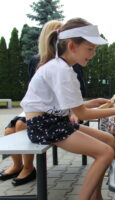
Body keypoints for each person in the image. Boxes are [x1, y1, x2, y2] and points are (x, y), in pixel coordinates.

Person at [20, 18, 115, 200]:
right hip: (44, 126)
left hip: (54, 121)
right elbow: (82, 114)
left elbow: (69, 107)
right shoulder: (61, 70)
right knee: (105, 153)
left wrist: (90, 102)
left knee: (108, 139)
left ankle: (96, 197)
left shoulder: (64, 68)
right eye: (90, 49)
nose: (94, 53)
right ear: (72, 46)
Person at [0, 20, 64, 186]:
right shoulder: (36, 60)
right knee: (8, 130)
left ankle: (29, 168)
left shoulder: (66, 61)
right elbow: (33, 90)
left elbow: (77, 92)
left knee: (22, 126)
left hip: (56, 108)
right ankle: (17, 165)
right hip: (37, 106)